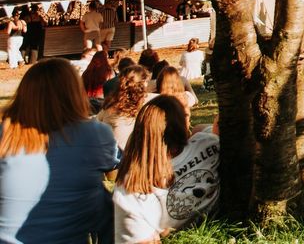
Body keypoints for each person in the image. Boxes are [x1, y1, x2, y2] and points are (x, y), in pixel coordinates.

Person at [0, 58, 120, 244]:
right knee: (103, 196)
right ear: (74, 93)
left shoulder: (5, 134)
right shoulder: (95, 133)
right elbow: (120, 169)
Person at [112, 95, 220, 243]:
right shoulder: (209, 145)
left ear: (140, 132)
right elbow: (211, 128)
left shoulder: (130, 190)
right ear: (182, 124)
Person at [99, 65, 153, 150]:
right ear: (142, 84)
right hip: (124, 156)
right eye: (146, 82)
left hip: (107, 152)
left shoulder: (110, 104)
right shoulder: (144, 107)